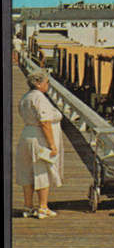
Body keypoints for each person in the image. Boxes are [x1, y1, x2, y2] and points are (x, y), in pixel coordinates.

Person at [16, 70, 64, 219]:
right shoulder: (40, 98)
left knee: (27, 171)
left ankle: (28, 206)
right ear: (38, 83)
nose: (48, 85)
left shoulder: (25, 97)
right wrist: (52, 144)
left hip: (26, 135)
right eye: (47, 82)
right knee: (42, 169)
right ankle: (43, 207)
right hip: (39, 137)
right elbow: (45, 123)